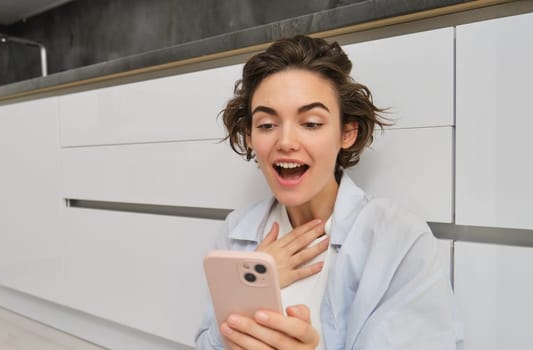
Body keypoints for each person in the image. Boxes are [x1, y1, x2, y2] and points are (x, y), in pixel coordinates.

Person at [194, 35, 463, 350]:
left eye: (310, 123)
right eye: (266, 124)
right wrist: (248, 289)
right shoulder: (236, 232)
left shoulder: (399, 241)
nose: (285, 141)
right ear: (249, 136)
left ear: (347, 132)